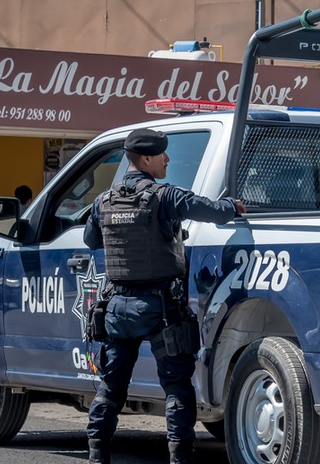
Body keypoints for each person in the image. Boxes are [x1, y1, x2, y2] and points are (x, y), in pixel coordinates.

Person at [82, 129, 245, 464]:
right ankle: (179, 458)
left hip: (117, 310)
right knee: (176, 389)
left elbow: (90, 240)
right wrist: (233, 206)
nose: (167, 160)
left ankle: (97, 455)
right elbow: (210, 210)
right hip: (159, 309)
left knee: (110, 390)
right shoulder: (164, 196)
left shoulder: (104, 201)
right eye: (162, 155)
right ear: (146, 159)